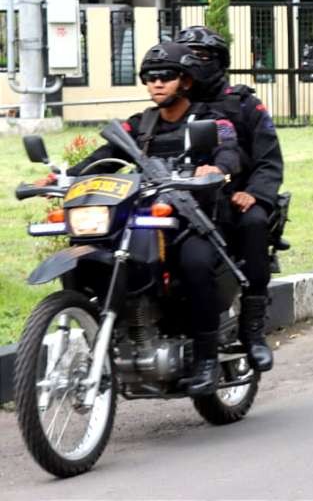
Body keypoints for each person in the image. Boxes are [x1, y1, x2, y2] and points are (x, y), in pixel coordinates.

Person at [69, 43, 244, 395]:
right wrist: (66, 176)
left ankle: (208, 359)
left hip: (192, 220)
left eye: (166, 76)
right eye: (150, 77)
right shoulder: (140, 125)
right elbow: (104, 156)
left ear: (185, 81)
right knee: (92, 256)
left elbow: (229, 148)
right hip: (145, 216)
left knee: (196, 264)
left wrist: (218, 167)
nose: (157, 83)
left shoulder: (210, 120)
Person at [176, 25, 282, 373]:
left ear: (220, 62)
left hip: (239, 196)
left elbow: (268, 160)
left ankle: (252, 330)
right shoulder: (173, 106)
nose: (191, 63)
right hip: (185, 200)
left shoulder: (244, 103)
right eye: (186, 56)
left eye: (201, 56)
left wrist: (252, 193)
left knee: (252, 225)